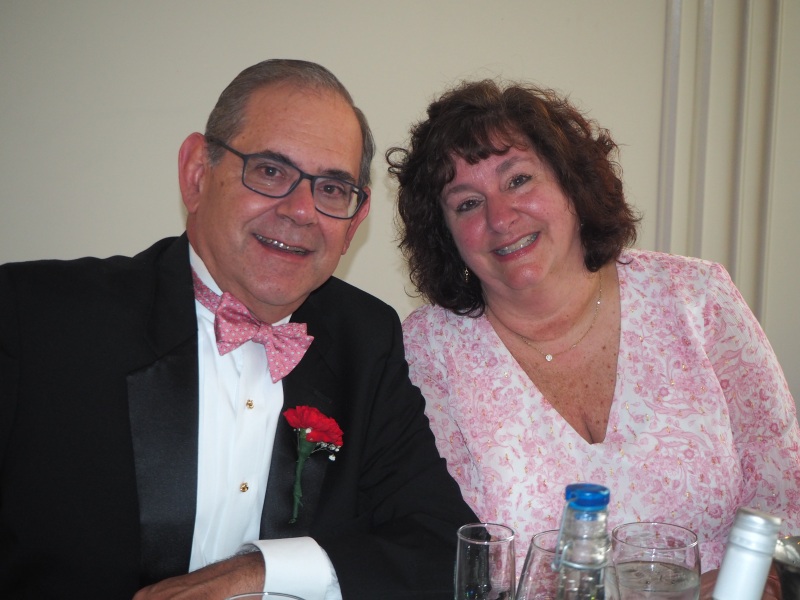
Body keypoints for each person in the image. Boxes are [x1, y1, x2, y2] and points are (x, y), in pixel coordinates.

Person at [0, 59, 477, 600]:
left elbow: (440, 542)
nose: (301, 211)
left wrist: (257, 572)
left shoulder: (366, 339)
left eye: (331, 188)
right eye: (270, 171)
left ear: (354, 223)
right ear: (196, 174)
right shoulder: (36, 317)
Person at [387, 79, 800, 598]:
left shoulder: (696, 296)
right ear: (444, 234)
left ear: (572, 184)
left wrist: (761, 579)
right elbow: (437, 545)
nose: (500, 217)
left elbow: (784, 488)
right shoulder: (426, 351)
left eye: (518, 180)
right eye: (467, 203)